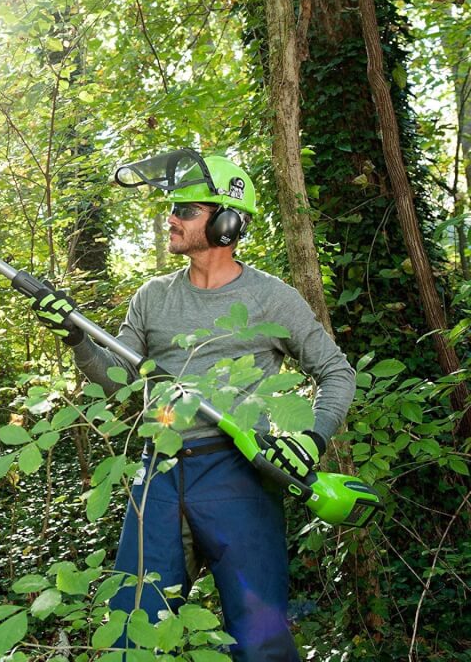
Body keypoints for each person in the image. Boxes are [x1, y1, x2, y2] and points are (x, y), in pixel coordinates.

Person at [31, 152, 356, 662]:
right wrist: (77, 338)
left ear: (227, 223)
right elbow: (119, 383)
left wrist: (312, 439)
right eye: (172, 209)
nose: (172, 218)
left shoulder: (272, 298)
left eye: (186, 210)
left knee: (260, 637)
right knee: (133, 627)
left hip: (240, 473)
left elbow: (336, 371)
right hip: (158, 471)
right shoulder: (152, 297)